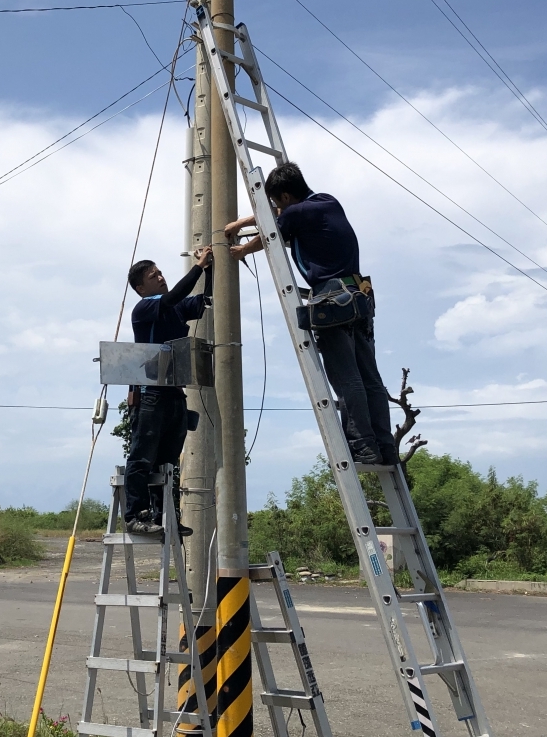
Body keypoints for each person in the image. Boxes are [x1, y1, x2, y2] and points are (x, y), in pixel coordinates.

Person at [226, 162, 397, 466]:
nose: (277, 207)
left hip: (332, 300)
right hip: (357, 295)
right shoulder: (326, 202)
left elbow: (270, 232)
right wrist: (241, 222)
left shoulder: (294, 213)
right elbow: (278, 217)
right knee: (370, 378)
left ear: (287, 196)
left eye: (277, 200)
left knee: (348, 380)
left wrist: (240, 249)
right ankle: (385, 446)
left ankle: (363, 446)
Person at [124, 247, 214, 535]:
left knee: (168, 461)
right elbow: (175, 296)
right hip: (150, 393)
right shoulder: (145, 308)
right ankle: (135, 515)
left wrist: (210, 270)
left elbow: (204, 302)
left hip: (174, 391)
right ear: (141, 288)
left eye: (161, 273)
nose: (161, 277)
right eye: (154, 275)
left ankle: (165, 517)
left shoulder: (173, 306)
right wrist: (199, 267)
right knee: (142, 456)